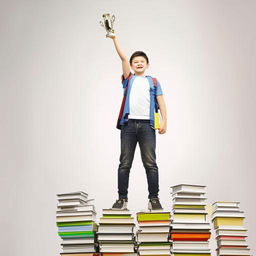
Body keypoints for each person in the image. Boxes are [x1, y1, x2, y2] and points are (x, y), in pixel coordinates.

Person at [109, 34, 167, 210]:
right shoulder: (129, 80)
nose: (139, 63)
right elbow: (124, 57)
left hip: (147, 126)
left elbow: (161, 102)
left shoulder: (154, 82)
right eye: (136, 62)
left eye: (142, 61)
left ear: (147, 64)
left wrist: (165, 121)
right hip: (128, 126)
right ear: (132, 66)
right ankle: (122, 199)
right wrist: (114, 39)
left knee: (151, 163)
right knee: (125, 163)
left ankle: (154, 199)